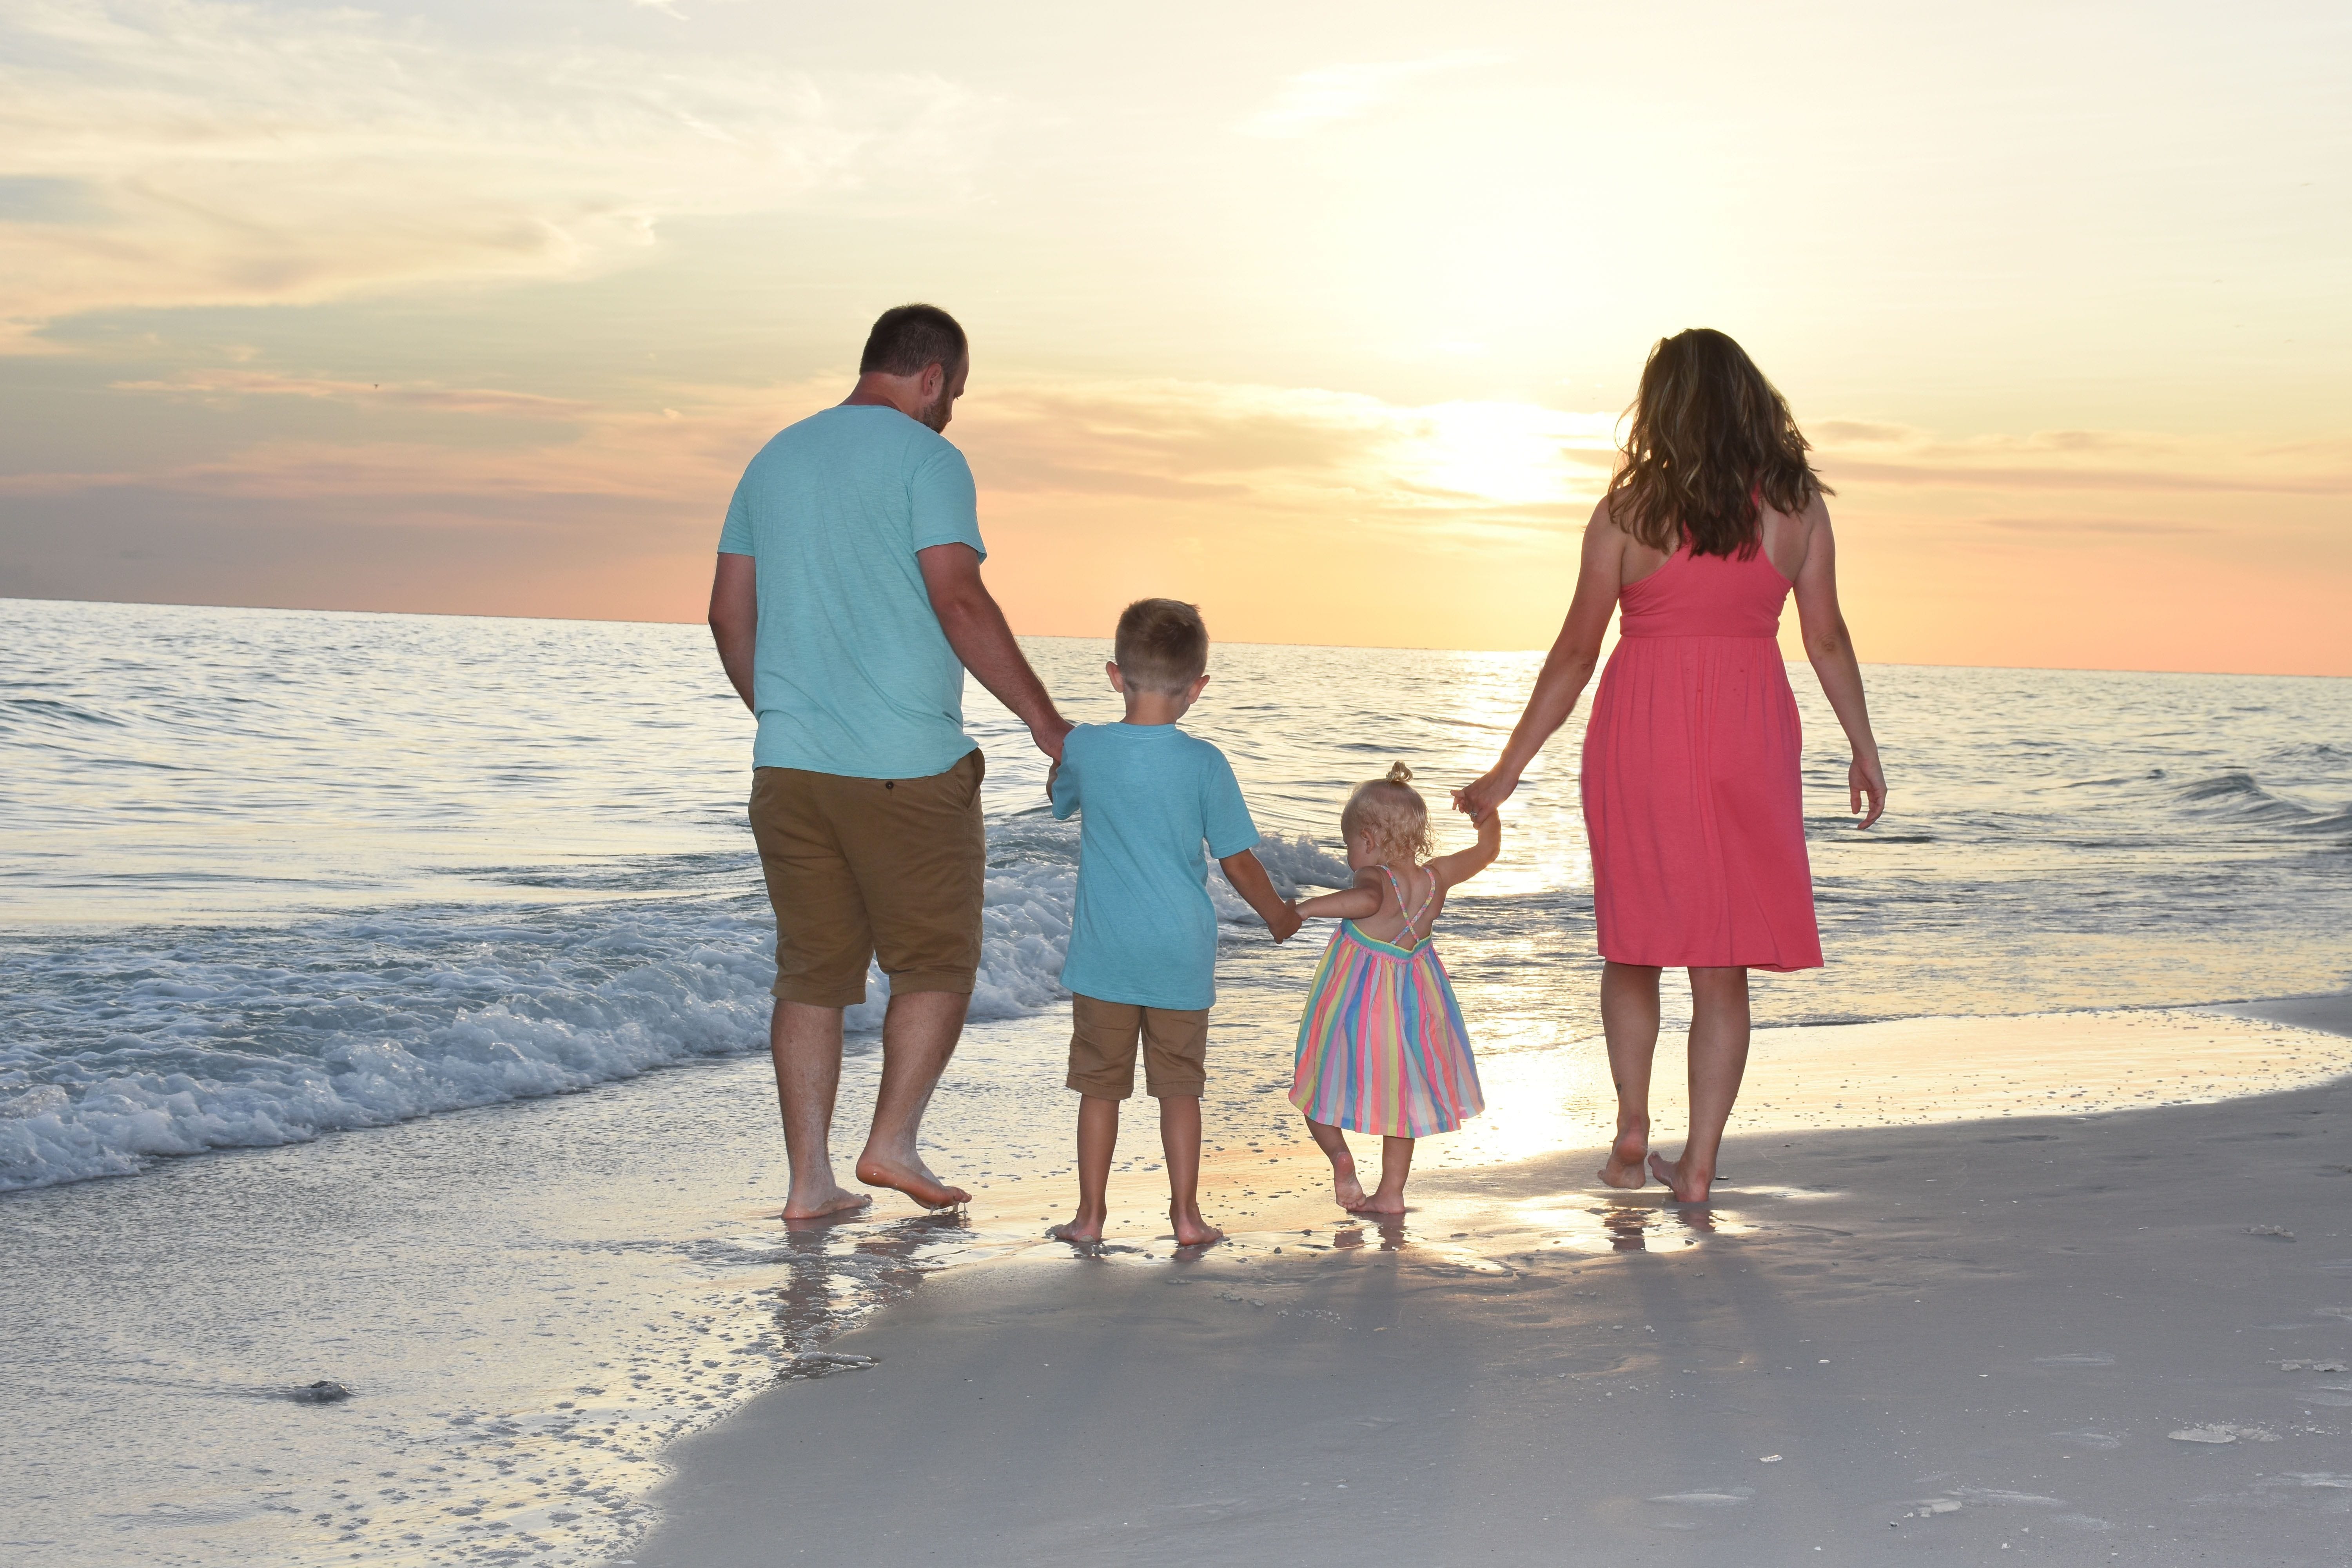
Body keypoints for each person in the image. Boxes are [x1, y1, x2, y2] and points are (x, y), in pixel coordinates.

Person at [1456, 328, 1886, 1203]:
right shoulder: (1797, 505)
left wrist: (1507, 770)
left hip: (1641, 731)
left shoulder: (1630, 509)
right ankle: (1698, 1166)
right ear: (1750, 399)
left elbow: (1576, 653)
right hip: (1749, 730)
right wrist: (1864, 746)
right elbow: (1827, 636)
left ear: (1661, 407)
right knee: (1719, 959)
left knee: (1636, 943)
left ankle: (1630, 1125)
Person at [707, 303, 1071, 1221]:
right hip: (907, 765)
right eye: (956, 394)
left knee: (811, 974)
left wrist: (787, 714)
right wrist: (1046, 722)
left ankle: (808, 1185)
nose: (951, 411)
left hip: (788, 769)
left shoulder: (774, 457)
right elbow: (958, 599)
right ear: (935, 377)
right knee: (937, 963)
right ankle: (891, 1141)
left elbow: (725, 614)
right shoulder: (929, 459)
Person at [1045, 599, 1301, 1249]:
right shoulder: (1206, 762)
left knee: (1100, 1090)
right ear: (1197, 689)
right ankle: (1186, 1217)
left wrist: (1064, 771)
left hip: (1106, 954)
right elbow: (1238, 860)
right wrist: (1277, 914)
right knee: (1180, 1090)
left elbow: (1060, 798)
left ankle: (1090, 1218)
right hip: (1180, 954)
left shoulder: (1086, 746)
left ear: (1114, 674)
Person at [1291, 764, 1499, 1214]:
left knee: (1317, 1084)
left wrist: (1303, 909)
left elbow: (1366, 901)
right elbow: (1487, 851)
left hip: (1356, 1004)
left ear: (1366, 839)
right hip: (1414, 1003)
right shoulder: (1435, 877)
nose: (1351, 854)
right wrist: (1487, 812)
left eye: (1349, 844)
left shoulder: (1374, 876)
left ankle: (1340, 1157)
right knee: (1402, 1101)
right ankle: (1391, 1193)